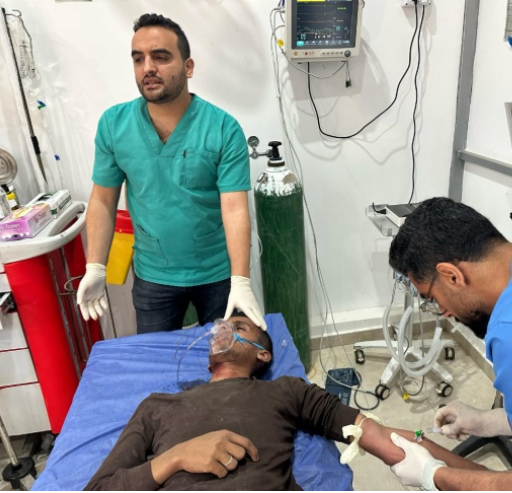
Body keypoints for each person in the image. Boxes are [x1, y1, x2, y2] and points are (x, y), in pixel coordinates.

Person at [85, 314, 485, 491]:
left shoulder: (285, 391)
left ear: (263, 354)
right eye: (220, 326)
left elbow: (375, 434)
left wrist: (484, 480)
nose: (222, 329)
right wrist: (174, 459)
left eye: (238, 326)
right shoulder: (157, 406)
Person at [76, 13, 265, 333]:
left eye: (160, 57)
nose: (148, 67)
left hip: (217, 274)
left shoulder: (222, 128)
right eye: (138, 59)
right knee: (157, 359)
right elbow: (103, 201)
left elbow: (234, 208)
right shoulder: (114, 125)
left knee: (226, 358)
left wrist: (241, 280)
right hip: (154, 276)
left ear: (188, 67)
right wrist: (95, 266)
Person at [388, 196, 512, 490]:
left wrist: (433, 475)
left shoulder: (507, 335)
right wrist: (491, 421)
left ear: (452, 276)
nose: (443, 312)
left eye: (432, 299)